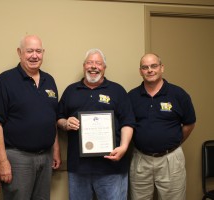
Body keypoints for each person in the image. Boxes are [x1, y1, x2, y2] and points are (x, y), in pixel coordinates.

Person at [0, 35, 61, 200]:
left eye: (38, 51)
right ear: (19, 53)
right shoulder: (5, 81)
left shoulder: (49, 80)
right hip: (17, 157)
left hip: (46, 156)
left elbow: (52, 118)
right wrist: (2, 161)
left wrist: (56, 150)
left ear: (43, 53)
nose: (34, 56)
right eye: (29, 51)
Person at [57, 48, 135, 200]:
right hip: (78, 168)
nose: (93, 66)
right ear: (84, 66)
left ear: (104, 67)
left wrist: (124, 147)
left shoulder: (117, 90)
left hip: (112, 167)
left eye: (98, 63)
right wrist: (66, 123)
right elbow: (58, 118)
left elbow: (128, 122)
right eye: (90, 62)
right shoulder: (71, 90)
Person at [128, 53, 196, 200]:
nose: (150, 70)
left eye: (154, 66)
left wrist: (173, 143)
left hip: (170, 159)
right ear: (141, 71)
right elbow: (126, 126)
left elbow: (189, 124)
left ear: (162, 68)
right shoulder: (132, 97)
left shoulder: (178, 94)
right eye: (145, 67)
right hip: (140, 158)